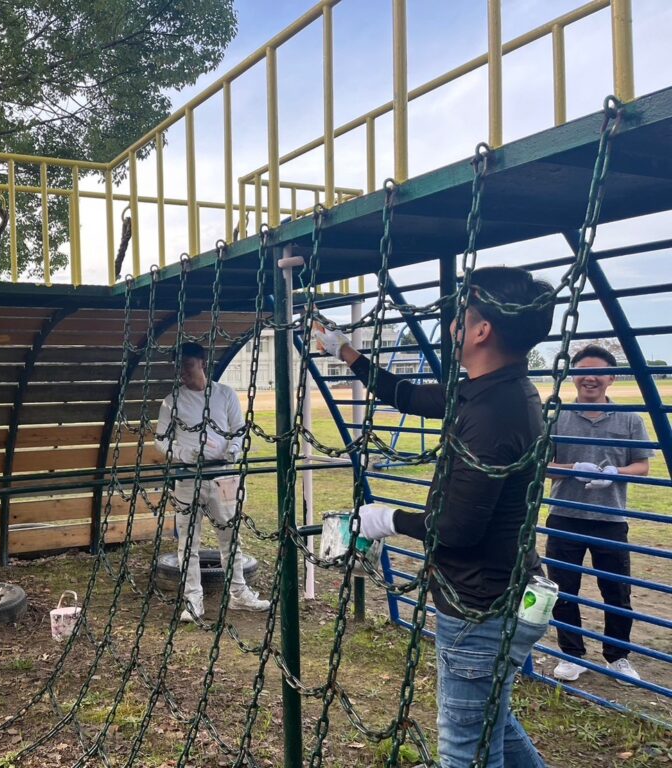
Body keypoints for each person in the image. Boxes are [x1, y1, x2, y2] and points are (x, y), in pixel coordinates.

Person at [318, 267, 555, 768]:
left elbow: (455, 528)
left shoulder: (495, 413)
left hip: (479, 609)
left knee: (465, 751)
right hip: (500, 596)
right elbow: (405, 396)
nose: (451, 326)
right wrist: (344, 351)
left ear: (481, 329)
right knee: (495, 724)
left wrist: (383, 519)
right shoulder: (489, 390)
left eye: (460, 314)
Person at [546, 344, 651, 684]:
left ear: (611, 377)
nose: (588, 378)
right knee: (563, 589)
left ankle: (617, 656)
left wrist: (616, 474)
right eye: (581, 372)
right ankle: (571, 655)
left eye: (596, 372)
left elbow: (643, 465)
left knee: (617, 591)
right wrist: (572, 467)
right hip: (565, 515)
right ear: (573, 377)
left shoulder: (630, 418)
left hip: (611, 519)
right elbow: (542, 466)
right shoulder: (556, 416)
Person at [155, 342, 270, 622]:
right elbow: (161, 441)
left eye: (189, 366)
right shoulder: (172, 401)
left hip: (222, 475)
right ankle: (193, 600)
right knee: (187, 542)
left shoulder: (225, 395)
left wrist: (232, 450)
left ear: (202, 364)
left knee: (230, 538)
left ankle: (239, 593)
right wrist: (185, 454)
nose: (183, 372)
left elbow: (238, 430)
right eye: (179, 367)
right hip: (188, 477)